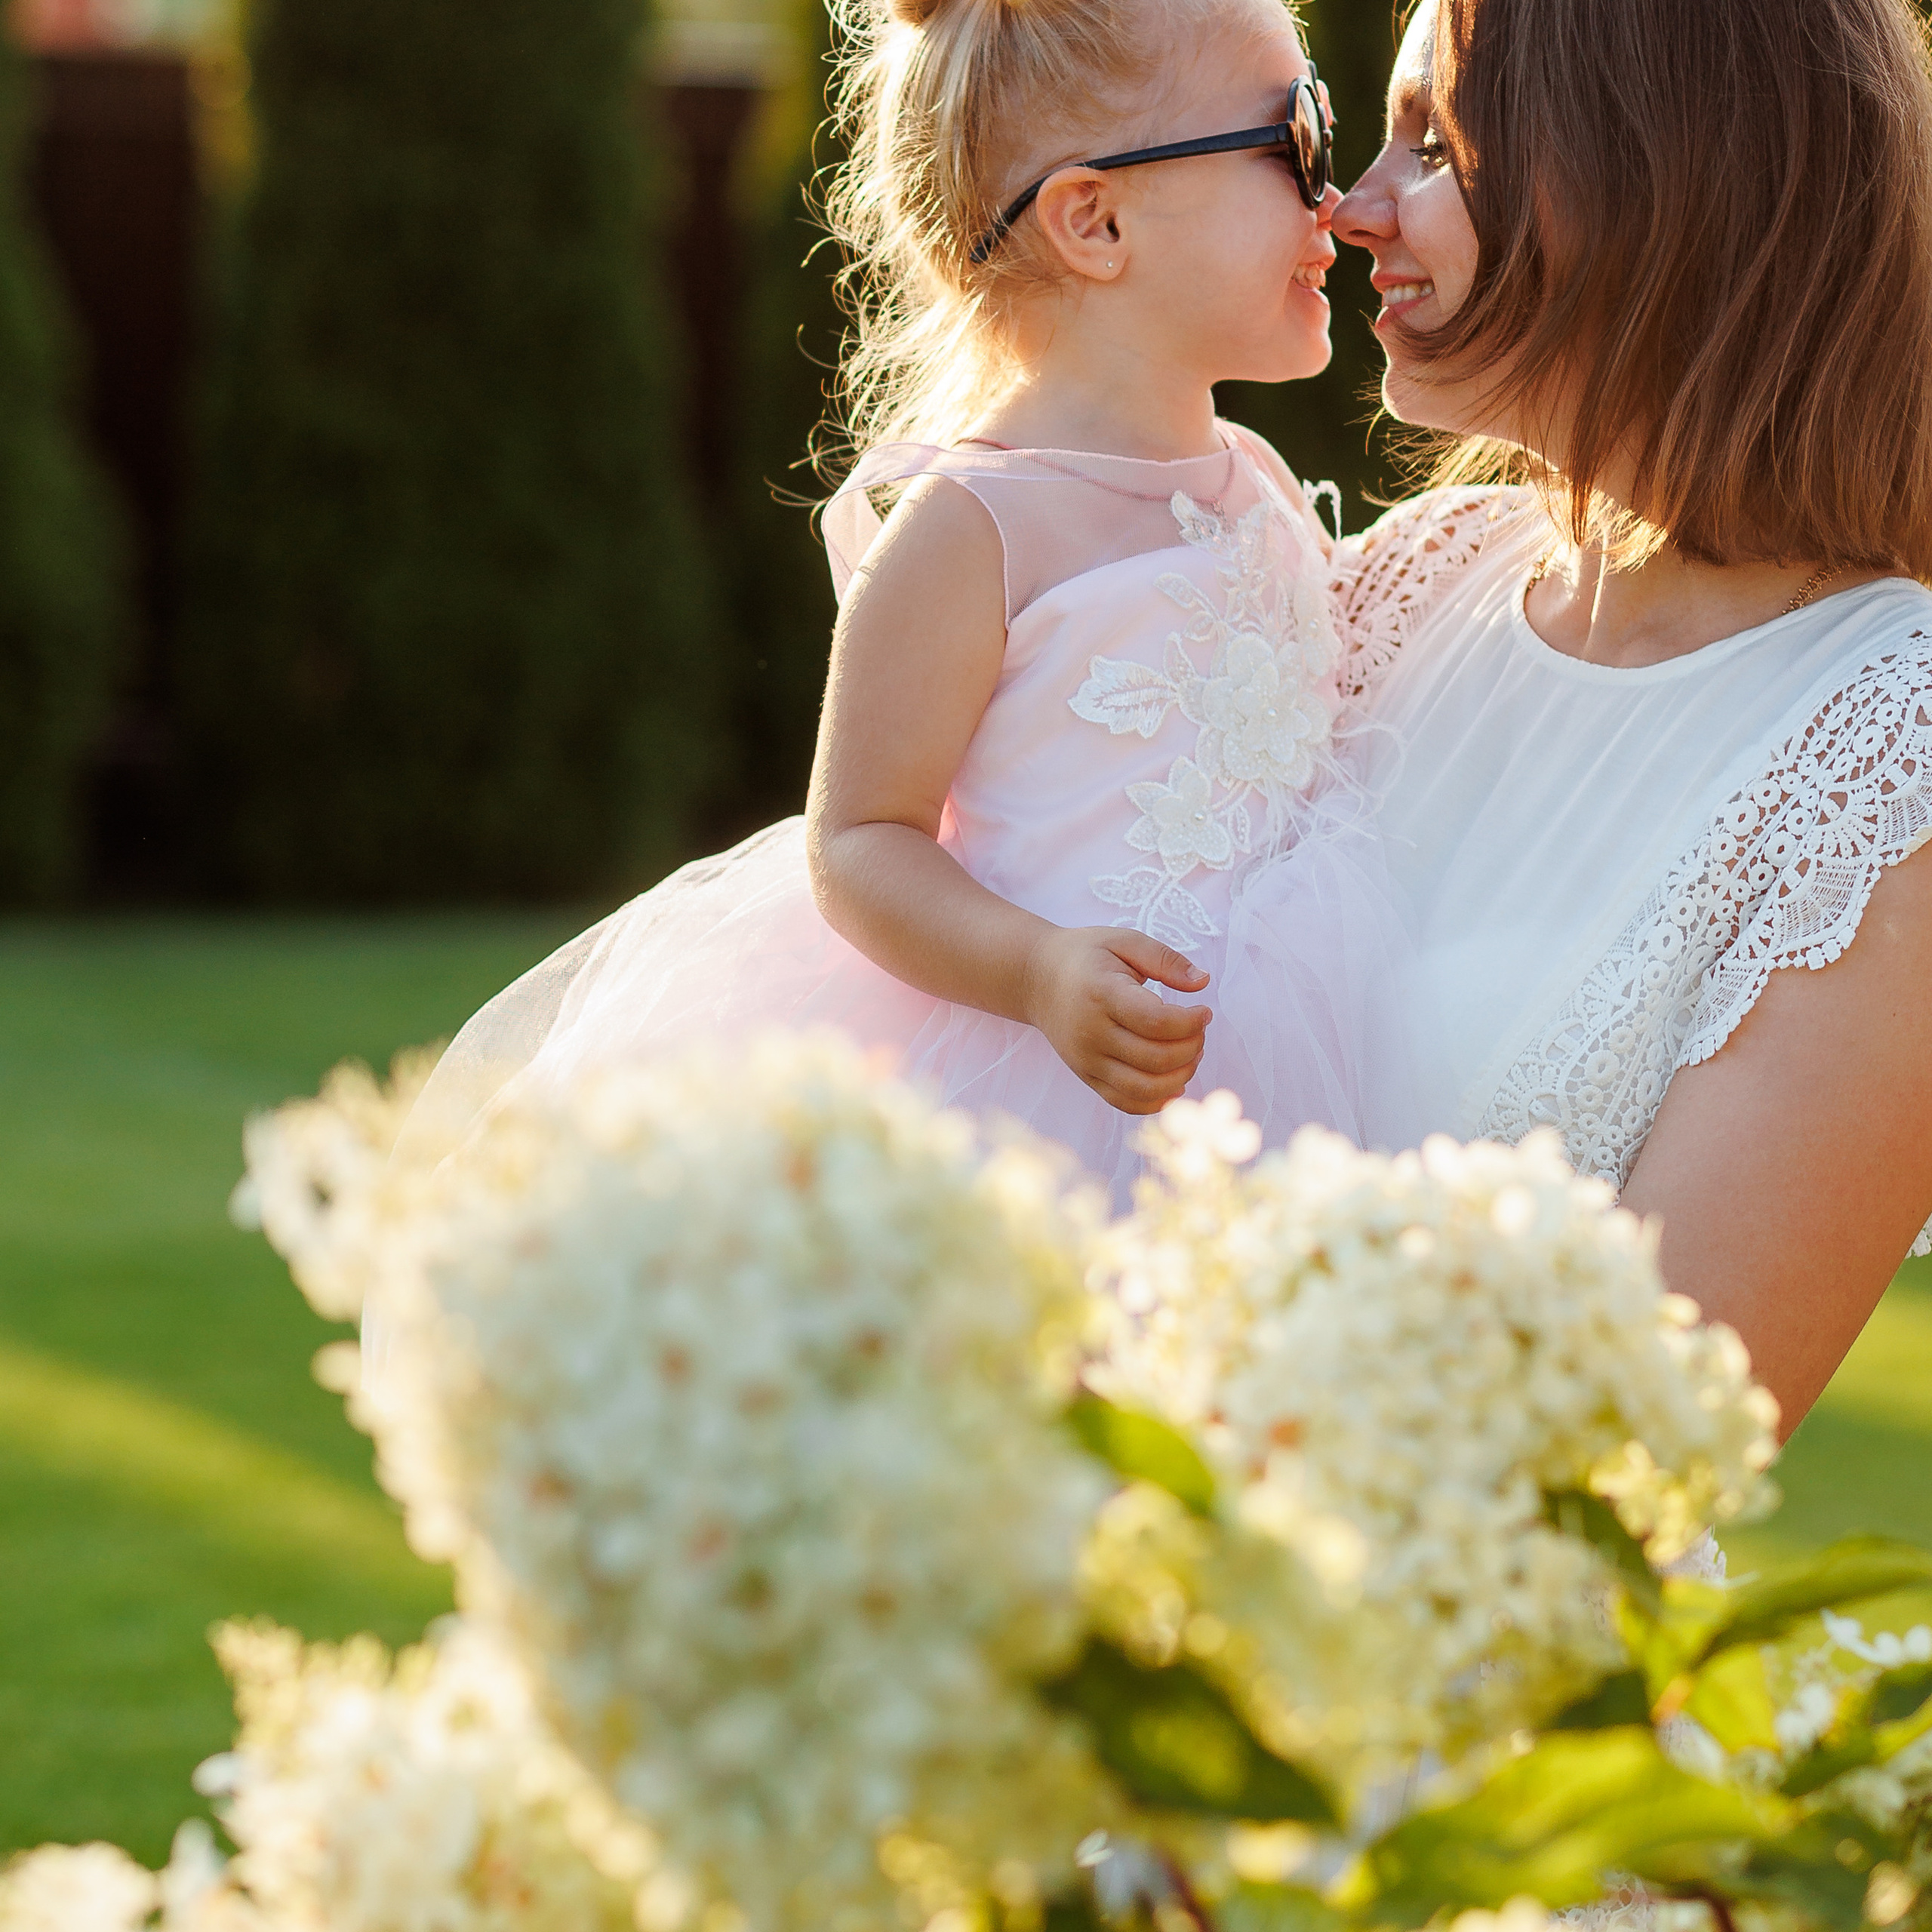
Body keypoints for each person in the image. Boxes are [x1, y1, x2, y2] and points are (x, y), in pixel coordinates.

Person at [414, 0, 1420, 1198]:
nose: (1335, 200)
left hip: (1289, 1046)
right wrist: (1036, 971)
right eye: (1295, 138)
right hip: (1058, 1083)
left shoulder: (1256, 480)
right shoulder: (971, 530)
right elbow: (860, 839)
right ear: (1095, 220)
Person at [1329, 0, 1932, 1432]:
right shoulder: (1404, 584)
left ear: (1650, 175)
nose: (1353, 208)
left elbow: (1646, 1438)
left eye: (1435, 146)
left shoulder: (1892, 754)